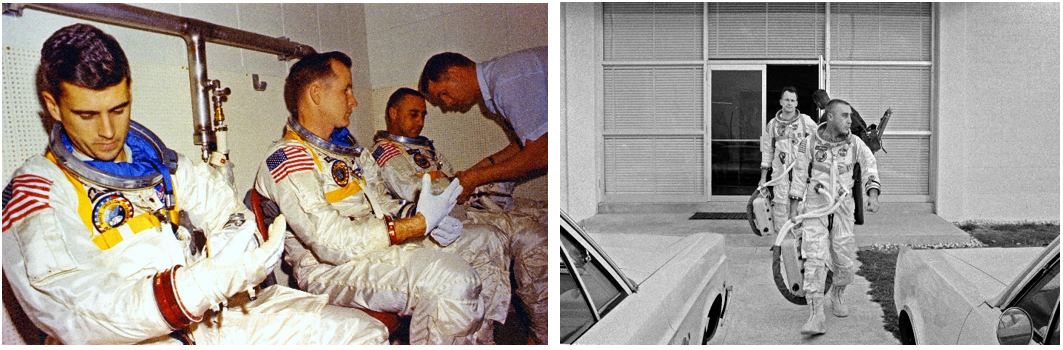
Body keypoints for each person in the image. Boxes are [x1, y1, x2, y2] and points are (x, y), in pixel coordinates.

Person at [1, 23, 388, 345]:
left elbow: (228, 210)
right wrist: (204, 282)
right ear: (53, 106)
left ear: (130, 90)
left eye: (118, 109)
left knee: (359, 334)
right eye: (87, 115)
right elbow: (76, 309)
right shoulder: (38, 189)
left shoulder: (160, 165)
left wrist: (229, 248)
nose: (107, 131)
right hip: (127, 337)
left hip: (204, 320)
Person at [253, 52, 510, 344]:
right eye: (346, 90)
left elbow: (382, 204)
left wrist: (423, 214)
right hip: (330, 269)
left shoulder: (349, 152)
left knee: (488, 241)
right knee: (453, 280)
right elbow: (329, 243)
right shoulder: (288, 158)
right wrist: (412, 227)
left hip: (374, 248)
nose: (354, 100)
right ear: (316, 94)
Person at [371, 87, 549, 344]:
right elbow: (413, 190)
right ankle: (530, 335)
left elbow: (449, 177)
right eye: (413, 114)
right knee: (530, 236)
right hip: (441, 224)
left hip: (462, 211)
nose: (420, 121)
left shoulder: (424, 149)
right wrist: (460, 185)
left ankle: (536, 332)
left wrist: (467, 183)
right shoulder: (386, 151)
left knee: (540, 218)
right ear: (393, 113)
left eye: (423, 115)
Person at [788, 99, 881, 335]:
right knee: (814, 259)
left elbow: (870, 164)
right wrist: (793, 209)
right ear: (829, 117)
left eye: (850, 116)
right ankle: (816, 314)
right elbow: (798, 176)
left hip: (842, 208)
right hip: (815, 208)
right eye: (845, 116)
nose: (850, 121)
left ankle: (838, 293)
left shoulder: (854, 143)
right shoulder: (808, 143)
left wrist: (872, 194)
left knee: (845, 262)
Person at [417, 47, 548, 205]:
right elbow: (529, 143)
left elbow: (542, 152)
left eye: (444, 93)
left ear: (455, 73)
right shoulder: (497, 78)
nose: (447, 104)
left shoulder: (504, 83)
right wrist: (474, 171)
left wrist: (475, 178)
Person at [758, 86, 818, 233]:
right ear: (781, 102)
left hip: (801, 173)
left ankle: (799, 245)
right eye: (786, 100)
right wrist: (763, 178)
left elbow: (819, 143)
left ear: (797, 103)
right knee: (780, 206)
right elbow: (767, 152)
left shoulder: (806, 122)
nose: (789, 103)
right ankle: (782, 243)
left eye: (792, 100)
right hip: (780, 173)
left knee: (801, 206)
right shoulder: (772, 125)